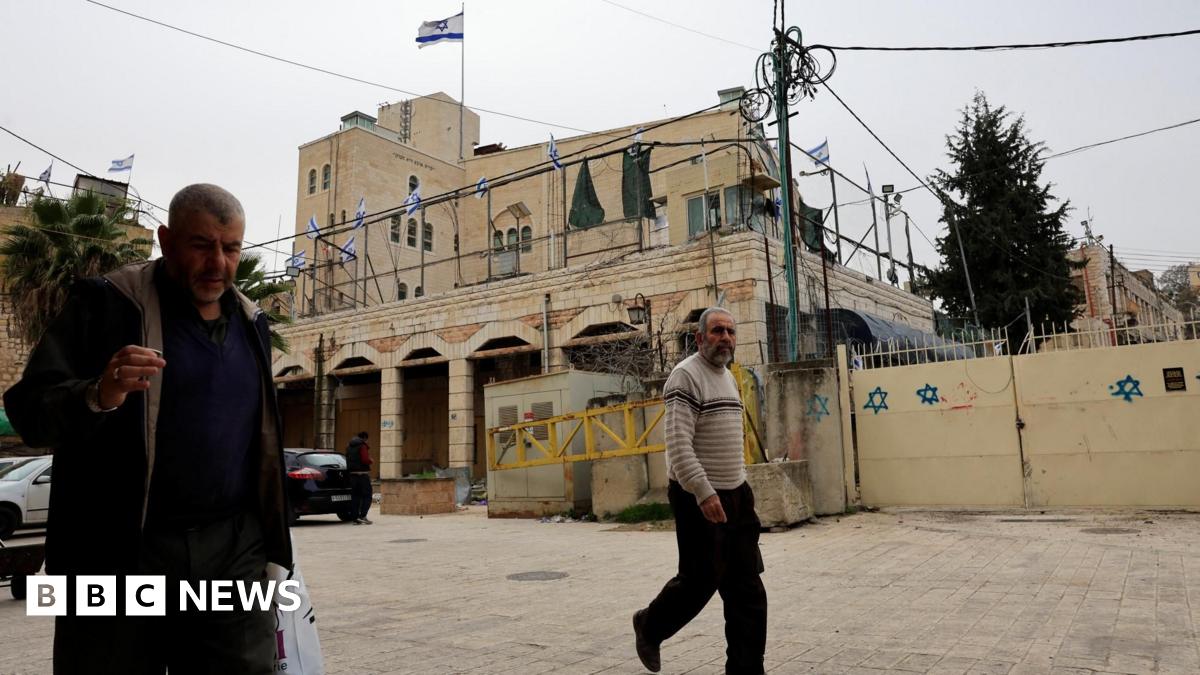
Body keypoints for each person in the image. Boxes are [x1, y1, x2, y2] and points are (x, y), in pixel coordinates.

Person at [4, 183, 292, 674]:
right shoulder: (107, 304)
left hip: (232, 551)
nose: (217, 263)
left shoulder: (251, 320)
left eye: (231, 248)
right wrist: (99, 393)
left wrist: (271, 544)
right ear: (165, 239)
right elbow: (29, 411)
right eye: (201, 245)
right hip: (120, 550)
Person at [632, 307, 767, 675]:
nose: (725, 337)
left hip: (736, 495)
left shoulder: (728, 377)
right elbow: (678, 445)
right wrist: (704, 492)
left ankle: (746, 670)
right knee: (700, 582)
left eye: (730, 332)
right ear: (699, 338)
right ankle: (650, 624)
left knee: (747, 588)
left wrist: (739, 485)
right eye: (717, 331)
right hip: (698, 496)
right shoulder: (684, 377)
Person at [345, 431, 374, 524]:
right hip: (362, 474)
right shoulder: (362, 446)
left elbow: (347, 459)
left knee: (355, 496)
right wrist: (370, 460)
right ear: (365, 438)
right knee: (367, 495)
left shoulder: (349, 446)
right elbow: (365, 459)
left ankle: (355, 518)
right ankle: (363, 515)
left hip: (352, 475)